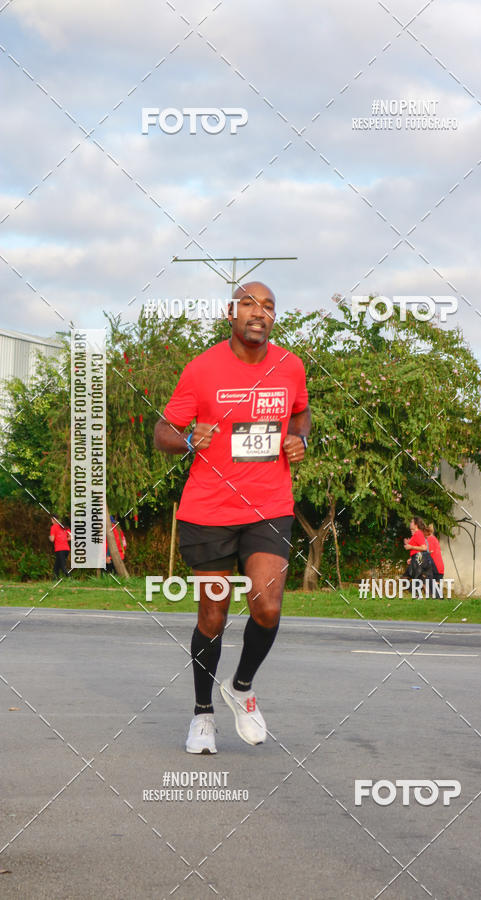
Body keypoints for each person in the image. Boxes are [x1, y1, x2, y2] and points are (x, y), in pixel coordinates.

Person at [154, 281, 310, 754]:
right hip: (209, 511)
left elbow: (302, 414)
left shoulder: (290, 366)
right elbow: (162, 430)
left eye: (268, 306)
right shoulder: (202, 369)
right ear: (230, 313)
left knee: (268, 606)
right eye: (249, 304)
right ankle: (203, 715)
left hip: (268, 506)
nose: (259, 312)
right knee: (214, 614)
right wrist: (185, 441)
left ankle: (241, 687)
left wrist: (300, 438)